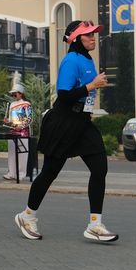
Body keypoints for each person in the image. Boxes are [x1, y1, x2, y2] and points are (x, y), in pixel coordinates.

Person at [15, 20, 117, 243]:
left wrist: (90, 95)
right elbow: (64, 95)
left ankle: (95, 225)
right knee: (49, 173)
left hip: (82, 122)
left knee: (100, 168)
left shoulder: (87, 59)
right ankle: (27, 216)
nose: (93, 38)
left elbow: (83, 94)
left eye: (93, 34)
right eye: (88, 35)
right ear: (76, 38)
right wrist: (92, 86)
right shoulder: (71, 60)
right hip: (63, 122)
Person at [3, 72, 32, 181]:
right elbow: (12, 119)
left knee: (22, 154)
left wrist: (22, 126)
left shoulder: (26, 104)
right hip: (12, 131)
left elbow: (29, 118)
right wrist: (7, 121)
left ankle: (21, 173)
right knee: (11, 153)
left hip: (23, 132)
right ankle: (11, 173)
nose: (13, 96)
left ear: (21, 94)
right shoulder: (11, 105)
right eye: (12, 94)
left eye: (15, 94)